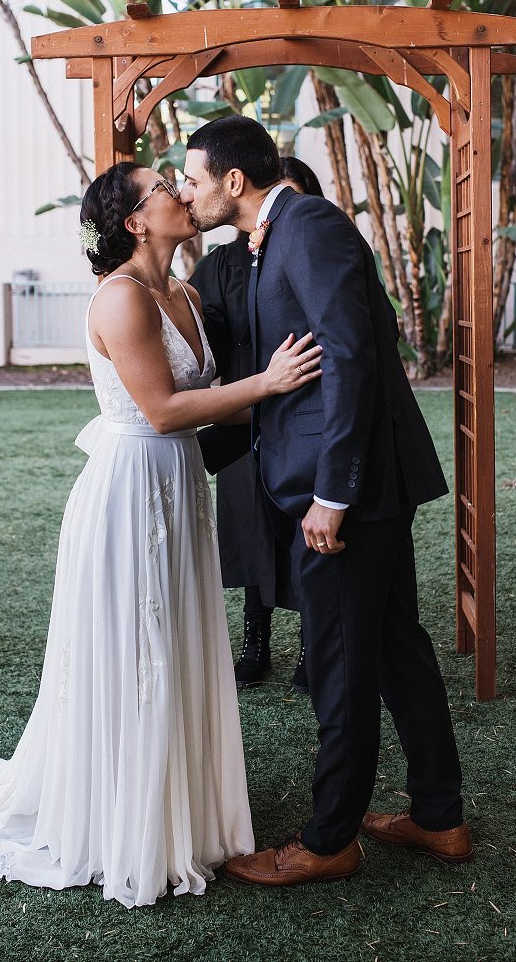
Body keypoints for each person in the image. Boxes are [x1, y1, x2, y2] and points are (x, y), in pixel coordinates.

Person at [0, 162, 322, 909]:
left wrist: (289, 400)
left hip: (180, 483)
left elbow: (207, 404)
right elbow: (162, 410)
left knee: (178, 641)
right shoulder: (122, 298)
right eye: (166, 186)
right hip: (130, 491)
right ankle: (128, 823)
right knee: (139, 648)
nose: (182, 193)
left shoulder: (184, 293)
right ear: (134, 221)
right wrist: (267, 384)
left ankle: (183, 812)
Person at [180, 115, 472, 888]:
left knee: (344, 666)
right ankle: (440, 817)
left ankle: (329, 838)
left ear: (233, 181)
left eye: (195, 178)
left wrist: (331, 496)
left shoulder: (307, 223)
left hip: (348, 495)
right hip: (354, 487)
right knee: (398, 649)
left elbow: (349, 358)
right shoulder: (268, 239)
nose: (191, 191)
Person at [190, 156, 325, 692]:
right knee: (252, 533)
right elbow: (200, 336)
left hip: (304, 417)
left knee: (306, 535)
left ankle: (315, 647)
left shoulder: (314, 252)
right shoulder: (224, 264)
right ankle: (255, 641)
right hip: (245, 415)